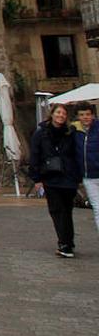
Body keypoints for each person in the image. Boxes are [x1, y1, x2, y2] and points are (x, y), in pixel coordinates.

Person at [29, 103, 82, 258]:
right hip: (51, 177)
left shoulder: (70, 133)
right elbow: (35, 155)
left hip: (68, 176)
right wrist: (36, 178)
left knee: (66, 211)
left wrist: (78, 176)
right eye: (58, 112)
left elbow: (76, 154)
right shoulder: (41, 133)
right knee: (57, 211)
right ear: (52, 114)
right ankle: (65, 243)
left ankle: (66, 243)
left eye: (64, 113)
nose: (61, 115)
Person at [74, 102, 99, 238]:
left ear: (93, 115)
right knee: (97, 208)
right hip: (88, 177)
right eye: (82, 115)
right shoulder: (75, 131)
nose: (85, 117)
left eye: (88, 114)